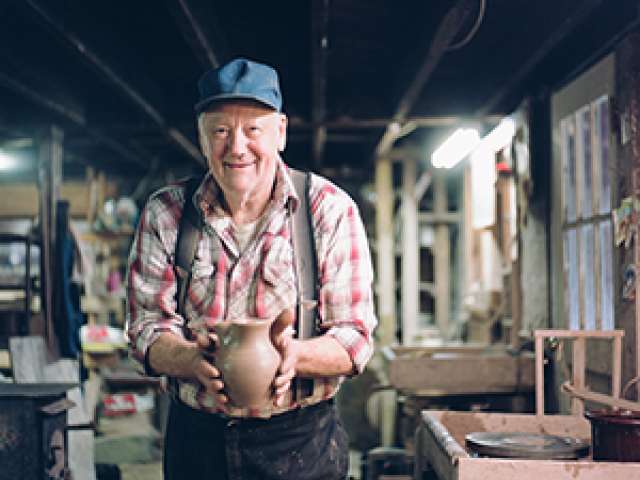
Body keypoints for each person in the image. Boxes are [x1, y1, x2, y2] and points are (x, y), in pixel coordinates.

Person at [126, 57, 377, 479]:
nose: (237, 147)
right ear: (202, 138)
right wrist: (190, 360)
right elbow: (144, 326)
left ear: (280, 132)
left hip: (299, 443)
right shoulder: (165, 213)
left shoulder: (329, 210)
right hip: (197, 443)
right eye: (221, 130)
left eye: (253, 129)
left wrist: (299, 356)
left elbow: (355, 336)